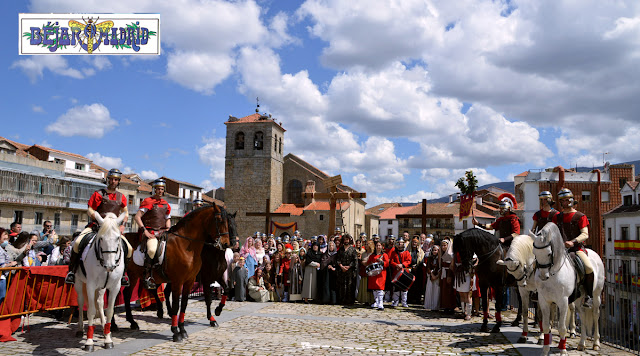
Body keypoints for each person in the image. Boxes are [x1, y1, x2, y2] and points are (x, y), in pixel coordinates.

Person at [66, 168, 132, 286]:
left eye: (115, 180)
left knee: (129, 249)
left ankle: (123, 275)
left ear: (118, 181)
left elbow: (125, 212)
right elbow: (90, 209)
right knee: (77, 243)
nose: (113, 181)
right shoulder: (99, 194)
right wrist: (97, 218)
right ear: (107, 180)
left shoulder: (121, 197)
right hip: (96, 226)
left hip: (113, 230)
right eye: (111, 179)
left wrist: (123, 225)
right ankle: (72, 272)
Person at [552, 188, 595, 308]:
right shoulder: (557, 217)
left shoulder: (580, 216)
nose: (565, 202)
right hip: (559, 249)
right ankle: (538, 290)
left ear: (571, 200)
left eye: (567, 200)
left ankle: (589, 296)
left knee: (589, 268)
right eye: (562, 200)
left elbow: (585, 234)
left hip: (576, 249)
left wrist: (572, 242)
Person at [135, 178, 172, 289]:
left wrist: (168, 228)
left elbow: (167, 219)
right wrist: (144, 231)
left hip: (163, 232)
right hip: (150, 232)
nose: (159, 191)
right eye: (157, 189)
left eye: (161, 189)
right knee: (151, 249)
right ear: (154, 189)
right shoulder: (148, 201)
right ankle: (147, 276)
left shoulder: (166, 204)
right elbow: (137, 217)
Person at [335, 234, 358, 305]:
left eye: (347, 240)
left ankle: (349, 301)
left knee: (350, 286)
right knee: (342, 286)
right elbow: (337, 259)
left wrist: (349, 266)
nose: (346, 241)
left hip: (350, 271)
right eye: (345, 240)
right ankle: (342, 300)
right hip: (341, 271)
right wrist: (341, 266)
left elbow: (355, 260)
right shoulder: (341, 249)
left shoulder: (353, 249)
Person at [367, 241, 389, 310]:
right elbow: (368, 263)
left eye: (379, 245)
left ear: (382, 247)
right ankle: (376, 301)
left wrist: (381, 261)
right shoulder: (372, 255)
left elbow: (387, 263)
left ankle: (381, 303)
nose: (378, 247)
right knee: (374, 289)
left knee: (380, 288)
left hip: (381, 274)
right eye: (377, 246)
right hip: (373, 274)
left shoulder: (384, 255)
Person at [391, 237, 411, 307]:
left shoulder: (407, 252)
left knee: (404, 288)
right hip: (396, 272)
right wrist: (396, 265)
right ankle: (395, 301)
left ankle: (404, 302)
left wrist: (402, 265)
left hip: (404, 272)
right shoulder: (394, 253)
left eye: (401, 243)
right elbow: (391, 261)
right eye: (399, 243)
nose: (400, 245)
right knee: (396, 288)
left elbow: (408, 261)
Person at [439, 237, 456, 313]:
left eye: (444, 245)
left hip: (449, 273)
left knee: (450, 291)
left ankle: (451, 307)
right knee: (444, 290)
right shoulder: (442, 254)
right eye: (442, 245)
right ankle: (445, 306)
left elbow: (451, 266)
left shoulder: (450, 255)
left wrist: (449, 275)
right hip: (443, 273)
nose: (443, 247)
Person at [407, 236, 426, 304]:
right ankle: (409, 299)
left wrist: (417, 266)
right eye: (413, 242)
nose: (414, 243)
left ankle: (417, 299)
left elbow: (422, 260)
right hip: (410, 270)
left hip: (418, 270)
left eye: (415, 242)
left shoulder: (421, 251)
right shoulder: (408, 250)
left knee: (418, 285)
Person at [357, 240, 375, 305]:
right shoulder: (363, 253)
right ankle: (365, 299)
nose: (366, 246)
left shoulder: (373, 253)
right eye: (365, 244)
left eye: (367, 244)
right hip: (364, 271)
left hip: (371, 272)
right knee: (364, 285)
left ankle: (371, 299)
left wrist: (367, 263)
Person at [423, 244, 441, 311]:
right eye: (433, 250)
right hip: (430, 276)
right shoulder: (430, 258)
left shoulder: (440, 259)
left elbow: (439, 267)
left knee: (436, 291)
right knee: (429, 290)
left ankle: (435, 306)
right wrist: (431, 273)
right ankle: (429, 305)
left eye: (436, 250)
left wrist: (436, 276)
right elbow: (428, 267)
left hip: (437, 276)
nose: (434, 252)